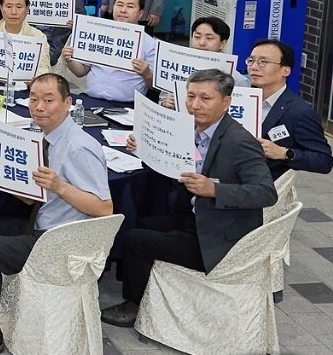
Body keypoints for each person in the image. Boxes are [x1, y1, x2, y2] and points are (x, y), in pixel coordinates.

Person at [0, 73, 112, 353]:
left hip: (60, 241)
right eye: (33, 99)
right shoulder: (44, 137)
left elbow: (105, 209)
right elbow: (31, 198)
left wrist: (61, 186)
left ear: (68, 103)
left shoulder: (78, 147)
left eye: (48, 100)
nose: (39, 106)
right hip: (44, 223)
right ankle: (6, 301)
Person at [101, 69, 276, 327]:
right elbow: (176, 168)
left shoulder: (239, 141)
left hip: (218, 236)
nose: (195, 105)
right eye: (191, 96)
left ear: (226, 102)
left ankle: (136, 306)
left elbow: (266, 192)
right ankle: (148, 288)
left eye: (205, 99)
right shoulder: (193, 130)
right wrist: (145, 149)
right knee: (141, 222)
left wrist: (214, 189)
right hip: (195, 216)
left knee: (136, 239)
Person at [247, 38, 333, 179]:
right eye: (251, 61)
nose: (254, 67)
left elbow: (324, 161)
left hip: (261, 189)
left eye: (263, 62)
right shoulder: (240, 99)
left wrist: (284, 153)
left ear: (285, 70)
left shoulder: (300, 113)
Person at [61, 0, 157, 103]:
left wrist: (146, 73)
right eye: (119, 5)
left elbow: (154, 86)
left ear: (141, 14)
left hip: (126, 107)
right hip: (90, 99)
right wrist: (69, 60)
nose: (123, 10)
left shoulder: (150, 44)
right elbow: (80, 72)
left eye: (130, 7)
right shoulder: (98, 34)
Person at [158, 17, 249, 108]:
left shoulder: (236, 79)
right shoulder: (177, 68)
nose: (201, 43)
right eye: (197, 37)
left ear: (223, 43)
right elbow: (162, 99)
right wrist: (165, 103)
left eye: (209, 38)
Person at [39, 0, 85, 65]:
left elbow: (83, 29)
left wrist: (76, 26)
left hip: (55, 45)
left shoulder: (75, 1)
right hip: (33, 39)